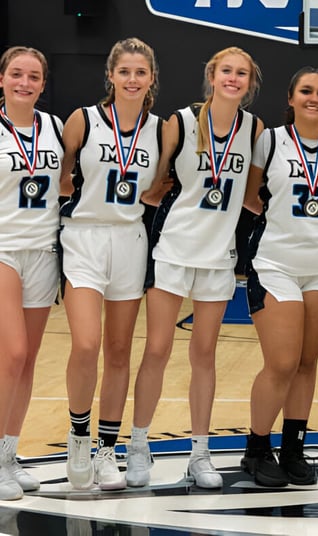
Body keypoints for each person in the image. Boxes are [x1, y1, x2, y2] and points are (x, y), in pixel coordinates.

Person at [125, 47, 263, 489]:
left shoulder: (254, 129)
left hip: (219, 256)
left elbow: (250, 195)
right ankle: (138, 446)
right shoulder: (181, 122)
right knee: (157, 349)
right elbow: (153, 186)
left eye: (242, 73)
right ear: (212, 75)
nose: (233, 78)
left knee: (204, 356)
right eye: (227, 71)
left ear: (250, 83)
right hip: (174, 249)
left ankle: (199, 454)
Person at [239, 67, 318, 487]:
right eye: (306, 90)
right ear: (290, 97)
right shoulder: (269, 140)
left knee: (307, 362)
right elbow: (249, 195)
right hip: (276, 263)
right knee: (282, 363)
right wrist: (284, 223)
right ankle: (256, 449)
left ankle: (293, 449)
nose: (314, 98)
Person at [59, 38, 162, 490]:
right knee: (86, 344)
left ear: (151, 78)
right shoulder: (83, 119)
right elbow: (58, 177)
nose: (132, 79)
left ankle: (106, 448)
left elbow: (162, 185)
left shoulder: (161, 129)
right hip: (84, 236)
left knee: (119, 351)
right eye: (124, 71)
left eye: (140, 72)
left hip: (130, 238)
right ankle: (79, 437)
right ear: (111, 75)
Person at [0, 46, 63, 500]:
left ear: (43, 84)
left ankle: (9, 455)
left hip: (43, 251)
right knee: (13, 355)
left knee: (28, 362)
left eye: (34, 76)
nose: (25, 82)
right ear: (2, 79)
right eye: (17, 74)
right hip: (3, 249)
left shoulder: (56, 128)